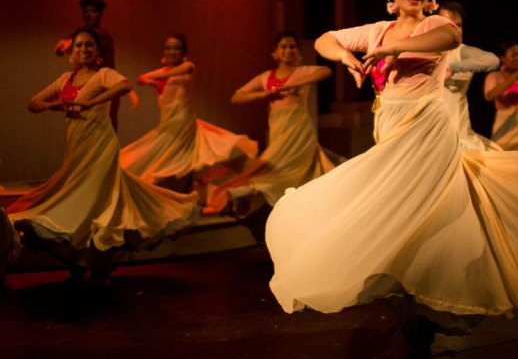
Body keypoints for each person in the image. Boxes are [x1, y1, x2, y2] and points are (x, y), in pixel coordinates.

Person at [266, 0, 518, 359]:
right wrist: (343, 56)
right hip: (389, 137)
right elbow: (326, 38)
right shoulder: (376, 30)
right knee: (389, 226)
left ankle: (418, 332)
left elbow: (449, 41)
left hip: (426, 133)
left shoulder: (437, 25)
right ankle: (409, 321)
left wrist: (393, 47)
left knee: (422, 225)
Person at [7, 28, 197, 284]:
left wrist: (92, 102)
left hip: (101, 146)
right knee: (78, 203)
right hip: (77, 149)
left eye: (89, 46)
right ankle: (80, 263)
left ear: (97, 53)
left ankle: (97, 265)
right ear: (72, 51)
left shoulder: (104, 74)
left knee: (96, 202)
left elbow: (124, 85)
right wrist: (52, 106)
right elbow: (33, 104)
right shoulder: (65, 79)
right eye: (78, 46)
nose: (83, 49)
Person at [204, 32, 339, 214]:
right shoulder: (266, 77)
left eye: (292, 46)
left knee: (281, 166)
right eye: (283, 47)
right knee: (272, 166)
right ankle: (238, 194)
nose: (288, 50)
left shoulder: (301, 72)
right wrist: (263, 94)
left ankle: (238, 193)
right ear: (275, 52)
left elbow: (326, 71)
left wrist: (293, 84)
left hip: (299, 129)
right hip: (278, 128)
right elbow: (237, 96)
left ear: (298, 51)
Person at [120, 34, 257, 192]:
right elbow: (140, 78)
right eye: (168, 48)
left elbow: (183, 69)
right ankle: (184, 190)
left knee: (178, 158)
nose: (172, 52)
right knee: (157, 156)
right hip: (167, 123)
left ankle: (195, 188)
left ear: (183, 51)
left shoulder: (187, 67)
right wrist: (148, 79)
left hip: (183, 122)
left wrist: (155, 77)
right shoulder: (164, 71)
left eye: (176, 48)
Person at [53, 0, 126, 130]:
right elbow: (59, 50)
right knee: (83, 124)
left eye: (93, 11)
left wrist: (69, 43)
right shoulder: (81, 34)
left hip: (103, 86)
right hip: (86, 84)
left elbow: (70, 46)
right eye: (86, 11)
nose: (89, 14)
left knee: (103, 126)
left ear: (100, 14)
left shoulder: (102, 34)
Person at [437, 2, 502, 151]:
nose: (454, 30)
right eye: (448, 25)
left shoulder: (461, 52)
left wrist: (452, 67)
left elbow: (493, 60)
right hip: (430, 127)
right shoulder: (427, 51)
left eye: (458, 25)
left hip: (457, 128)